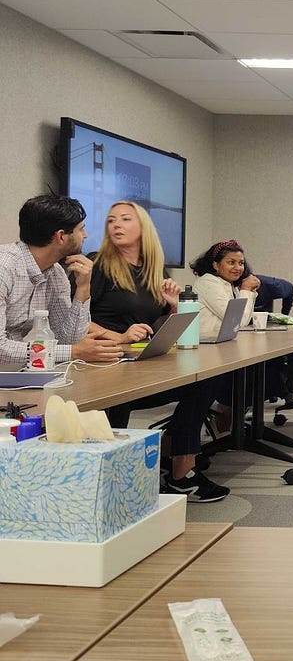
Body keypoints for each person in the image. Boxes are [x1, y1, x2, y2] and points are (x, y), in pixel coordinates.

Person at [87, 202, 228, 503]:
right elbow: (75, 319)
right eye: (111, 220)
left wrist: (173, 304)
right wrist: (119, 336)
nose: (116, 225)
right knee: (200, 382)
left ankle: (177, 456)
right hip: (109, 369)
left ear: (143, 228)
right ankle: (181, 470)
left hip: (141, 364)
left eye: (126, 219)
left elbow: (162, 324)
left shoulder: (152, 270)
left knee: (207, 377)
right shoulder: (98, 266)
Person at [0, 194, 121, 368]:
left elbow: (69, 338)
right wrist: (73, 352)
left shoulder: (56, 273)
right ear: (61, 236)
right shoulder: (4, 268)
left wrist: (83, 289)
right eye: (81, 229)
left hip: (25, 375)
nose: (85, 235)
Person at [190, 240, 259, 341]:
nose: (238, 268)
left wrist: (248, 290)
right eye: (231, 262)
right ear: (216, 265)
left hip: (223, 342)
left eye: (241, 263)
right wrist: (246, 289)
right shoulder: (207, 282)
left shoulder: (231, 284)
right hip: (205, 346)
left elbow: (243, 322)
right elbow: (238, 321)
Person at [255, 273, 293, 403]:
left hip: (267, 328)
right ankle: (277, 390)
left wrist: (284, 315)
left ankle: (290, 389)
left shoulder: (270, 284)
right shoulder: (228, 288)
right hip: (243, 332)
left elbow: (290, 290)